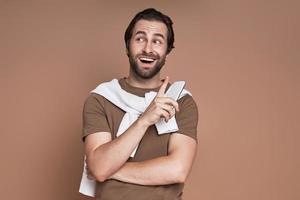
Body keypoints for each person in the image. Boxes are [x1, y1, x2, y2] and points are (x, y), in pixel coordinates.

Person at [81, 8, 199, 200]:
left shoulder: (181, 101)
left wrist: (111, 170)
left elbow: (177, 170)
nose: (148, 49)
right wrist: (144, 119)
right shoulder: (100, 99)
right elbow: (99, 167)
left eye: (157, 41)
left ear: (167, 52)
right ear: (127, 47)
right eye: (140, 39)